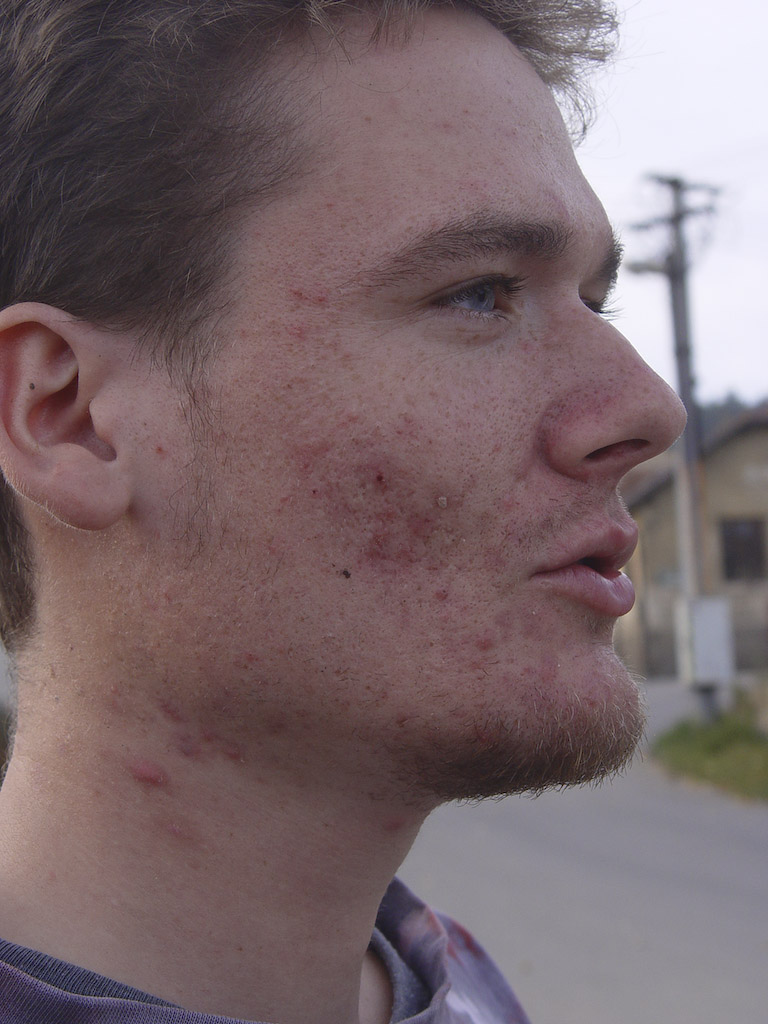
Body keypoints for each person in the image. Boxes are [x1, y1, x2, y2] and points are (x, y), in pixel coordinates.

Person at [0, 1, 685, 1021]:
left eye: (593, 299)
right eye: (480, 292)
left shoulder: (461, 984)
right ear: (71, 417)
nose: (649, 408)